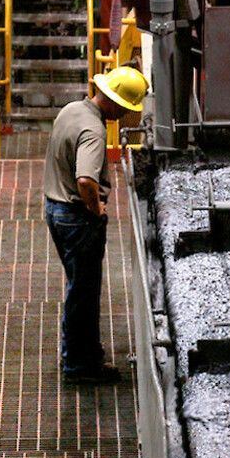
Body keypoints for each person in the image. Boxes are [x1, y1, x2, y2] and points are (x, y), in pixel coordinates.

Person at [43, 65, 149, 383]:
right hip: (76, 217)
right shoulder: (94, 131)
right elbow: (86, 179)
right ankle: (78, 366)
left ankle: (78, 353)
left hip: (55, 207)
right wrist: (97, 209)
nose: (125, 114)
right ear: (115, 103)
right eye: (126, 108)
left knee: (78, 288)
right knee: (84, 293)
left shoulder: (72, 109)